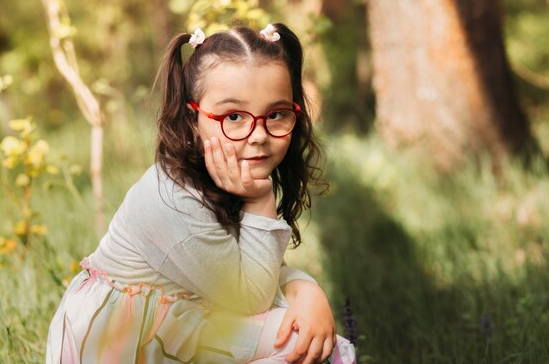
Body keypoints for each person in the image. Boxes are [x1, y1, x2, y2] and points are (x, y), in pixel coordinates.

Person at [46, 23, 356, 363]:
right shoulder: (174, 198)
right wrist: (260, 202)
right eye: (234, 116)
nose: (258, 135)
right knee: (305, 343)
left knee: (309, 332)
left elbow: (260, 267)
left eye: (276, 114)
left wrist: (307, 290)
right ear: (193, 120)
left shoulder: (227, 174)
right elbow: (251, 298)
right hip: (118, 341)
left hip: (171, 323)